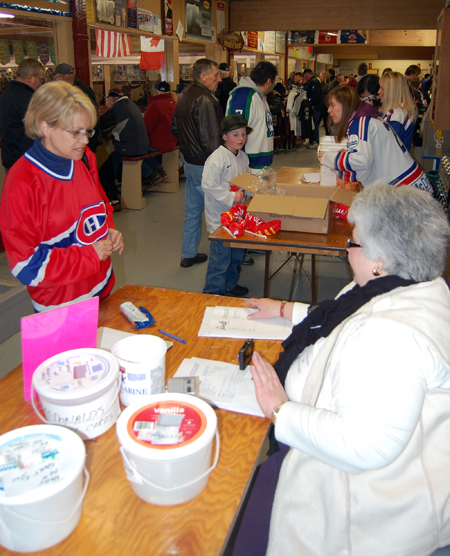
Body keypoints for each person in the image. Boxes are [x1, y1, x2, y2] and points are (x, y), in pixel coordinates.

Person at [233, 183, 450, 556]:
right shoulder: (411, 284)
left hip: (361, 501)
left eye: (354, 241)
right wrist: (285, 310)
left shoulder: (389, 336)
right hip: (359, 461)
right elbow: (339, 318)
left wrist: (279, 409)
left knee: (239, 516)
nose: (347, 249)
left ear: (379, 257)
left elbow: (365, 445)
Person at [0, 81, 123, 313]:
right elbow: (26, 266)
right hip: (61, 305)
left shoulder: (84, 158)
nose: (85, 140)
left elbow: (100, 207)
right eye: (75, 132)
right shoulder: (22, 182)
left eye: (88, 131)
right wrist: (90, 255)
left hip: (103, 288)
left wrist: (108, 231)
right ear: (45, 127)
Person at [319, 86, 431, 190]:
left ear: (346, 105)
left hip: (405, 190)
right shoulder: (368, 119)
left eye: (333, 105)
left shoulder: (360, 123)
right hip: (412, 186)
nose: (329, 110)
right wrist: (346, 156)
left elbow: (361, 161)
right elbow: (368, 159)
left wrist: (328, 158)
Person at [170, 58, 223, 268]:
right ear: (203, 76)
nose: (219, 78)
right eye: (216, 74)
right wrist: (221, 164)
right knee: (220, 212)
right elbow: (211, 140)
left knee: (192, 212)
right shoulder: (206, 99)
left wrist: (187, 146)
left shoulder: (184, 96)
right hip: (205, 165)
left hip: (189, 163)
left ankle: (188, 254)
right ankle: (224, 258)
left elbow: (174, 127)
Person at [202, 114, 251, 297]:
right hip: (220, 219)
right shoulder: (217, 158)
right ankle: (212, 293)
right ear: (224, 136)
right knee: (220, 259)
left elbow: (246, 181)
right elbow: (208, 185)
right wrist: (231, 196)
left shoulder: (243, 157)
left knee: (236, 255)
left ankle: (230, 285)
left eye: (243, 134)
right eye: (235, 135)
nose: (240, 139)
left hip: (238, 217)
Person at [99, 88, 149, 211]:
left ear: (111, 99)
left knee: (105, 172)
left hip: (128, 148)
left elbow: (101, 123)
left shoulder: (117, 108)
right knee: (116, 167)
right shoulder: (131, 104)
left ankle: (113, 201)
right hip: (141, 146)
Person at [226, 60, 277, 173]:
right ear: (269, 81)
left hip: (259, 164)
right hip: (248, 166)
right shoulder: (243, 96)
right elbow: (234, 131)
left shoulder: (259, 96)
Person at [0, 58, 45, 172]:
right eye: (40, 79)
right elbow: (39, 132)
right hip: (27, 162)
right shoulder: (29, 99)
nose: (40, 83)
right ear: (30, 77)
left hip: (10, 159)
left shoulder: (5, 95)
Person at [53, 63, 102, 153]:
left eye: (55, 78)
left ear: (61, 77)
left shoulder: (80, 91)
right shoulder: (81, 88)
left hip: (85, 138)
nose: (55, 81)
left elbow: (91, 116)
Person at [143, 80, 177, 182]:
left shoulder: (155, 105)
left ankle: (155, 172)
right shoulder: (174, 103)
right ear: (169, 91)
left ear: (157, 91)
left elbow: (147, 127)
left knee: (138, 151)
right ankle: (159, 171)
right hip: (172, 141)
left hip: (158, 143)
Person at [379, 71, 417, 151]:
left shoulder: (395, 116)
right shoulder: (401, 111)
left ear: (392, 91)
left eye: (382, 88)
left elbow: (384, 147)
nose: (379, 92)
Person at [302, 68, 323, 148]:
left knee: (314, 124)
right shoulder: (311, 81)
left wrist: (313, 104)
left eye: (304, 75)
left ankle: (315, 141)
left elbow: (315, 94)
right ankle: (311, 141)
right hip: (313, 106)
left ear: (307, 73)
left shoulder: (314, 81)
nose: (304, 77)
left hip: (315, 107)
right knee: (312, 124)